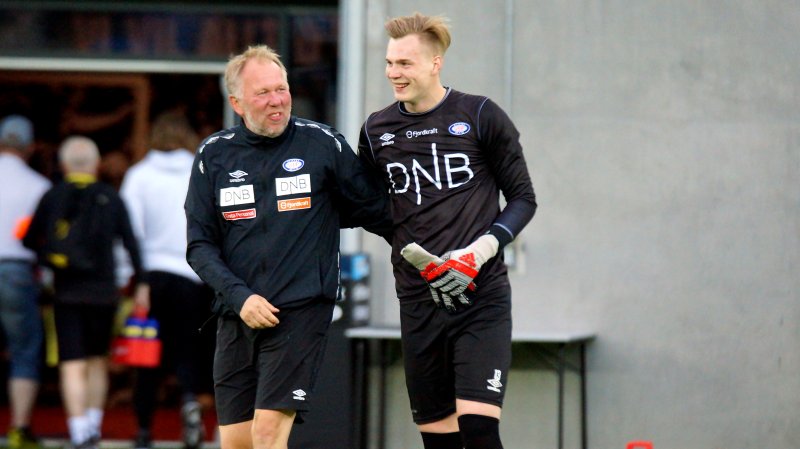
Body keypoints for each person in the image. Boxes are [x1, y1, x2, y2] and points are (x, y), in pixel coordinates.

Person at [184, 45, 389, 449]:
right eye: (262, 93)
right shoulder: (214, 155)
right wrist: (241, 298)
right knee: (237, 443)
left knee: (266, 434)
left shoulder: (322, 144)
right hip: (237, 313)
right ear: (237, 103)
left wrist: (444, 247)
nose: (277, 101)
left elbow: (379, 211)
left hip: (301, 309)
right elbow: (199, 246)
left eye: (281, 88)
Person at [357, 13, 537, 449]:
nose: (394, 73)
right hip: (419, 301)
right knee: (439, 441)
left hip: (481, 297)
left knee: (477, 429)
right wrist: (410, 249)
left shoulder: (479, 114)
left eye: (405, 63)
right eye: (389, 63)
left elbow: (523, 199)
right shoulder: (374, 130)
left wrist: (480, 250)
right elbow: (371, 207)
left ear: (436, 63)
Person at [23, 136, 148, 449]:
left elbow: (29, 241)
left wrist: (50, 262)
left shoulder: (52, 196)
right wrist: (142, 285)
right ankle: (93, 427)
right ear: (96, 165)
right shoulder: (111, 197)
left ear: (64, 166)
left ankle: (78, 432)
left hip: (67, 294)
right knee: (96, 361)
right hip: (104, 294)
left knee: (72, 363)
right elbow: (132, 244)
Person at [120, 110, 215, 449]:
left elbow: (130, 232)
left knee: (147, 358)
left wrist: (131, 278)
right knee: (189, 352)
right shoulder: (199, 171)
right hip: (193, 276)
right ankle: (190, 402)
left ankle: (144, 430)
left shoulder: (138, 175)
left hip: (152, 279)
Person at [0, 115, 50, 449]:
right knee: (24, 350)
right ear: (30, 147)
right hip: (17, 273)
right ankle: (19, 429)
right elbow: (44, 242)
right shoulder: (39, 187)